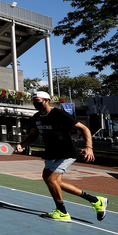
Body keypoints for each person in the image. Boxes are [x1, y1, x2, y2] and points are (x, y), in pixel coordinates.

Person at [15, 91, 108, 222]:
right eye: (34, 101)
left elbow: (84, 128)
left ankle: (62, 212)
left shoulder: (59, 114)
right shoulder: (36, 117)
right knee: (56, 182)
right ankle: (96, 200)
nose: (35, 103)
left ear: (46, 100)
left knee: (50, 179)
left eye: (38, 100)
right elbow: (33, 135)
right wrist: (22, 144)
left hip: (66, 152)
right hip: (51, 153)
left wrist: (89, 147)